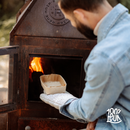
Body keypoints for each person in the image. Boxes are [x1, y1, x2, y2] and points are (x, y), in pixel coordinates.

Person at [40, 0, 130, 129]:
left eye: (70, 19)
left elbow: (87, 112)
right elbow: (122, 102)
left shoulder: (105, 56)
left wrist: (62, 101)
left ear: (79, 15)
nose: (73, 24)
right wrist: (100, 116)